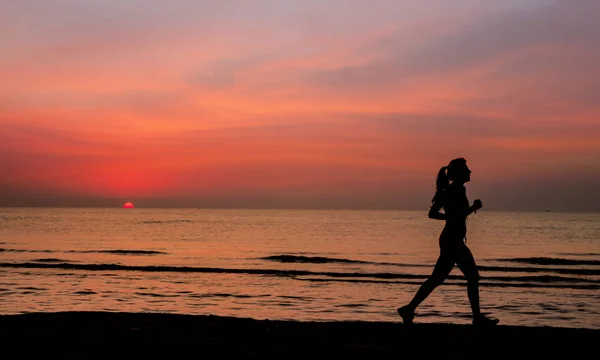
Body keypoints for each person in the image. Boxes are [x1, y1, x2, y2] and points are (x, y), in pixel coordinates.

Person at [397, 158, 499, 326]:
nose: (470, 171)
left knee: (440, 279)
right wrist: (468, 210)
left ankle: (409, 309)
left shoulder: (457, 189)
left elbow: (447, 214)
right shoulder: (453, 191)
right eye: (466, 169)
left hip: (454, 240)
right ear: (459, 173)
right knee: (468, 277)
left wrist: (465, 211)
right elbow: (439, 214)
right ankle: (477, 318)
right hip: (452, 240)